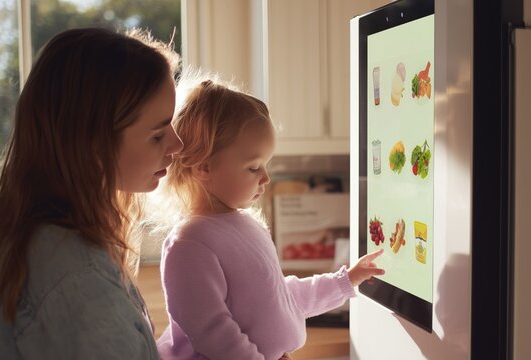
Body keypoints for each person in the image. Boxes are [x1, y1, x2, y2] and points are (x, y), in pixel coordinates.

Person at [0, 27, 184, 359]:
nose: (176, 145)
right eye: (158, 135)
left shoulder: (40, 240)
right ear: (92, 145)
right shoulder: (76, 281)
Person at [153, 71, 385, 360]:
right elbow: (212, 332)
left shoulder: (245, 225)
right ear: (203, 168)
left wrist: (345, 280)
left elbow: (279, 296)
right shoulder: (190, 244)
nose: (265, 177)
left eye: (266, 165)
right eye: (253, 167)